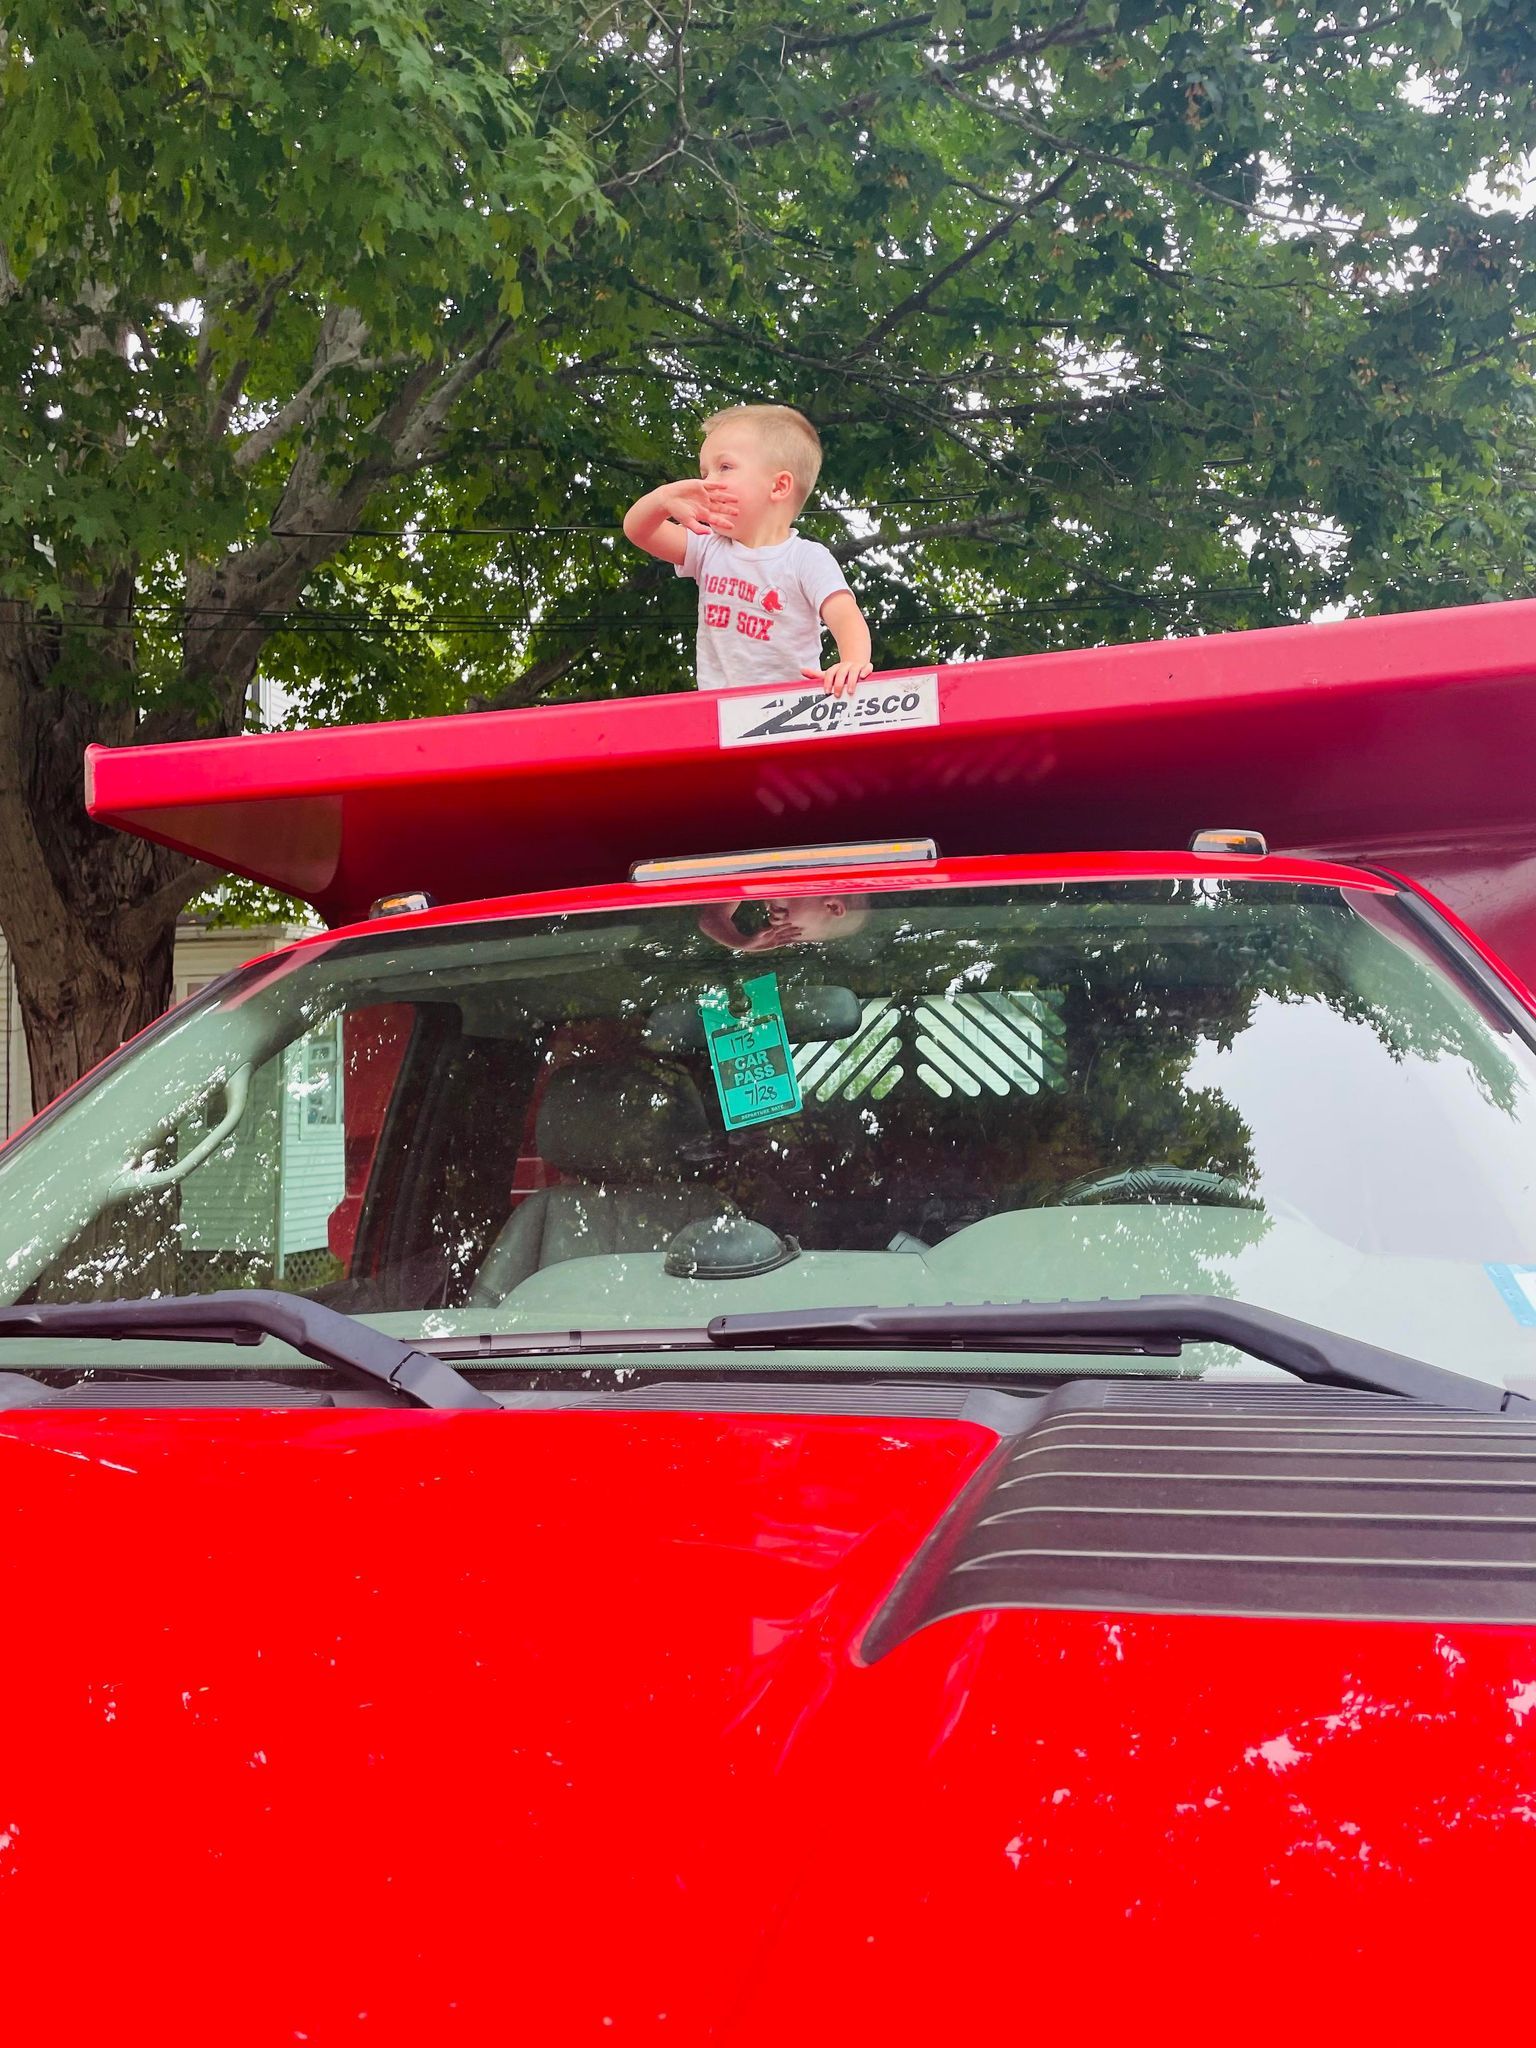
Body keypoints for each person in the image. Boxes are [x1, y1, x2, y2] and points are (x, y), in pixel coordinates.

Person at [622, 403, 874, 698]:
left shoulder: (805, 558)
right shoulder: (708, 547)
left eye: (724, 468)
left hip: (790, 709)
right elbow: (639, 531)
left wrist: (852, 663)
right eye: (704, 473)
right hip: (720, 710)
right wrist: (663, 498)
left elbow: (845, 616)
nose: (707, 483)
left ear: (778, 486)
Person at [697, 896, 871, 952]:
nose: (774, 922)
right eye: (790, 929)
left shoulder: (751, 884)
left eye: (776, 929)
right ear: (832, 907)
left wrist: (739, 941)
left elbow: (711, 918)